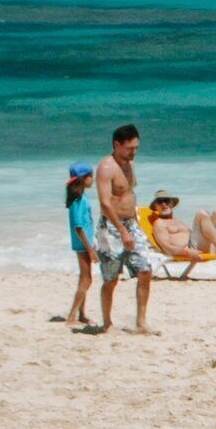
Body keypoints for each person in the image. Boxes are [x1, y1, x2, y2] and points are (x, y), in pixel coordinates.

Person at [90, 124, 151, 334]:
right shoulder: (106, 167)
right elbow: (105, 204)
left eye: (136, 148)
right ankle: (107, 323)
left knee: (145, 270)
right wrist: (122, 231)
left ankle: (141, 322)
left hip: (130, 224)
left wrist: (134, 225)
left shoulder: (129, 164)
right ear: (117, 145)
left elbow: (128, 195)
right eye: (130, 148)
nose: (134, 152)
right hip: (111, 228)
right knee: (111, 279)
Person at [58, 164, 98, 325]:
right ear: (84, 178)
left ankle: (81, 314)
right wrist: (90, 249)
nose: (93, 179)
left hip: (84, 242)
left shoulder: (81, 198)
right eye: (91, 176)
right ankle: (72, 316)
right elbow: (79, 226)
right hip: (83, 244)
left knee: (85, 278)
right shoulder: (78, 200)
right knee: (86, 280)